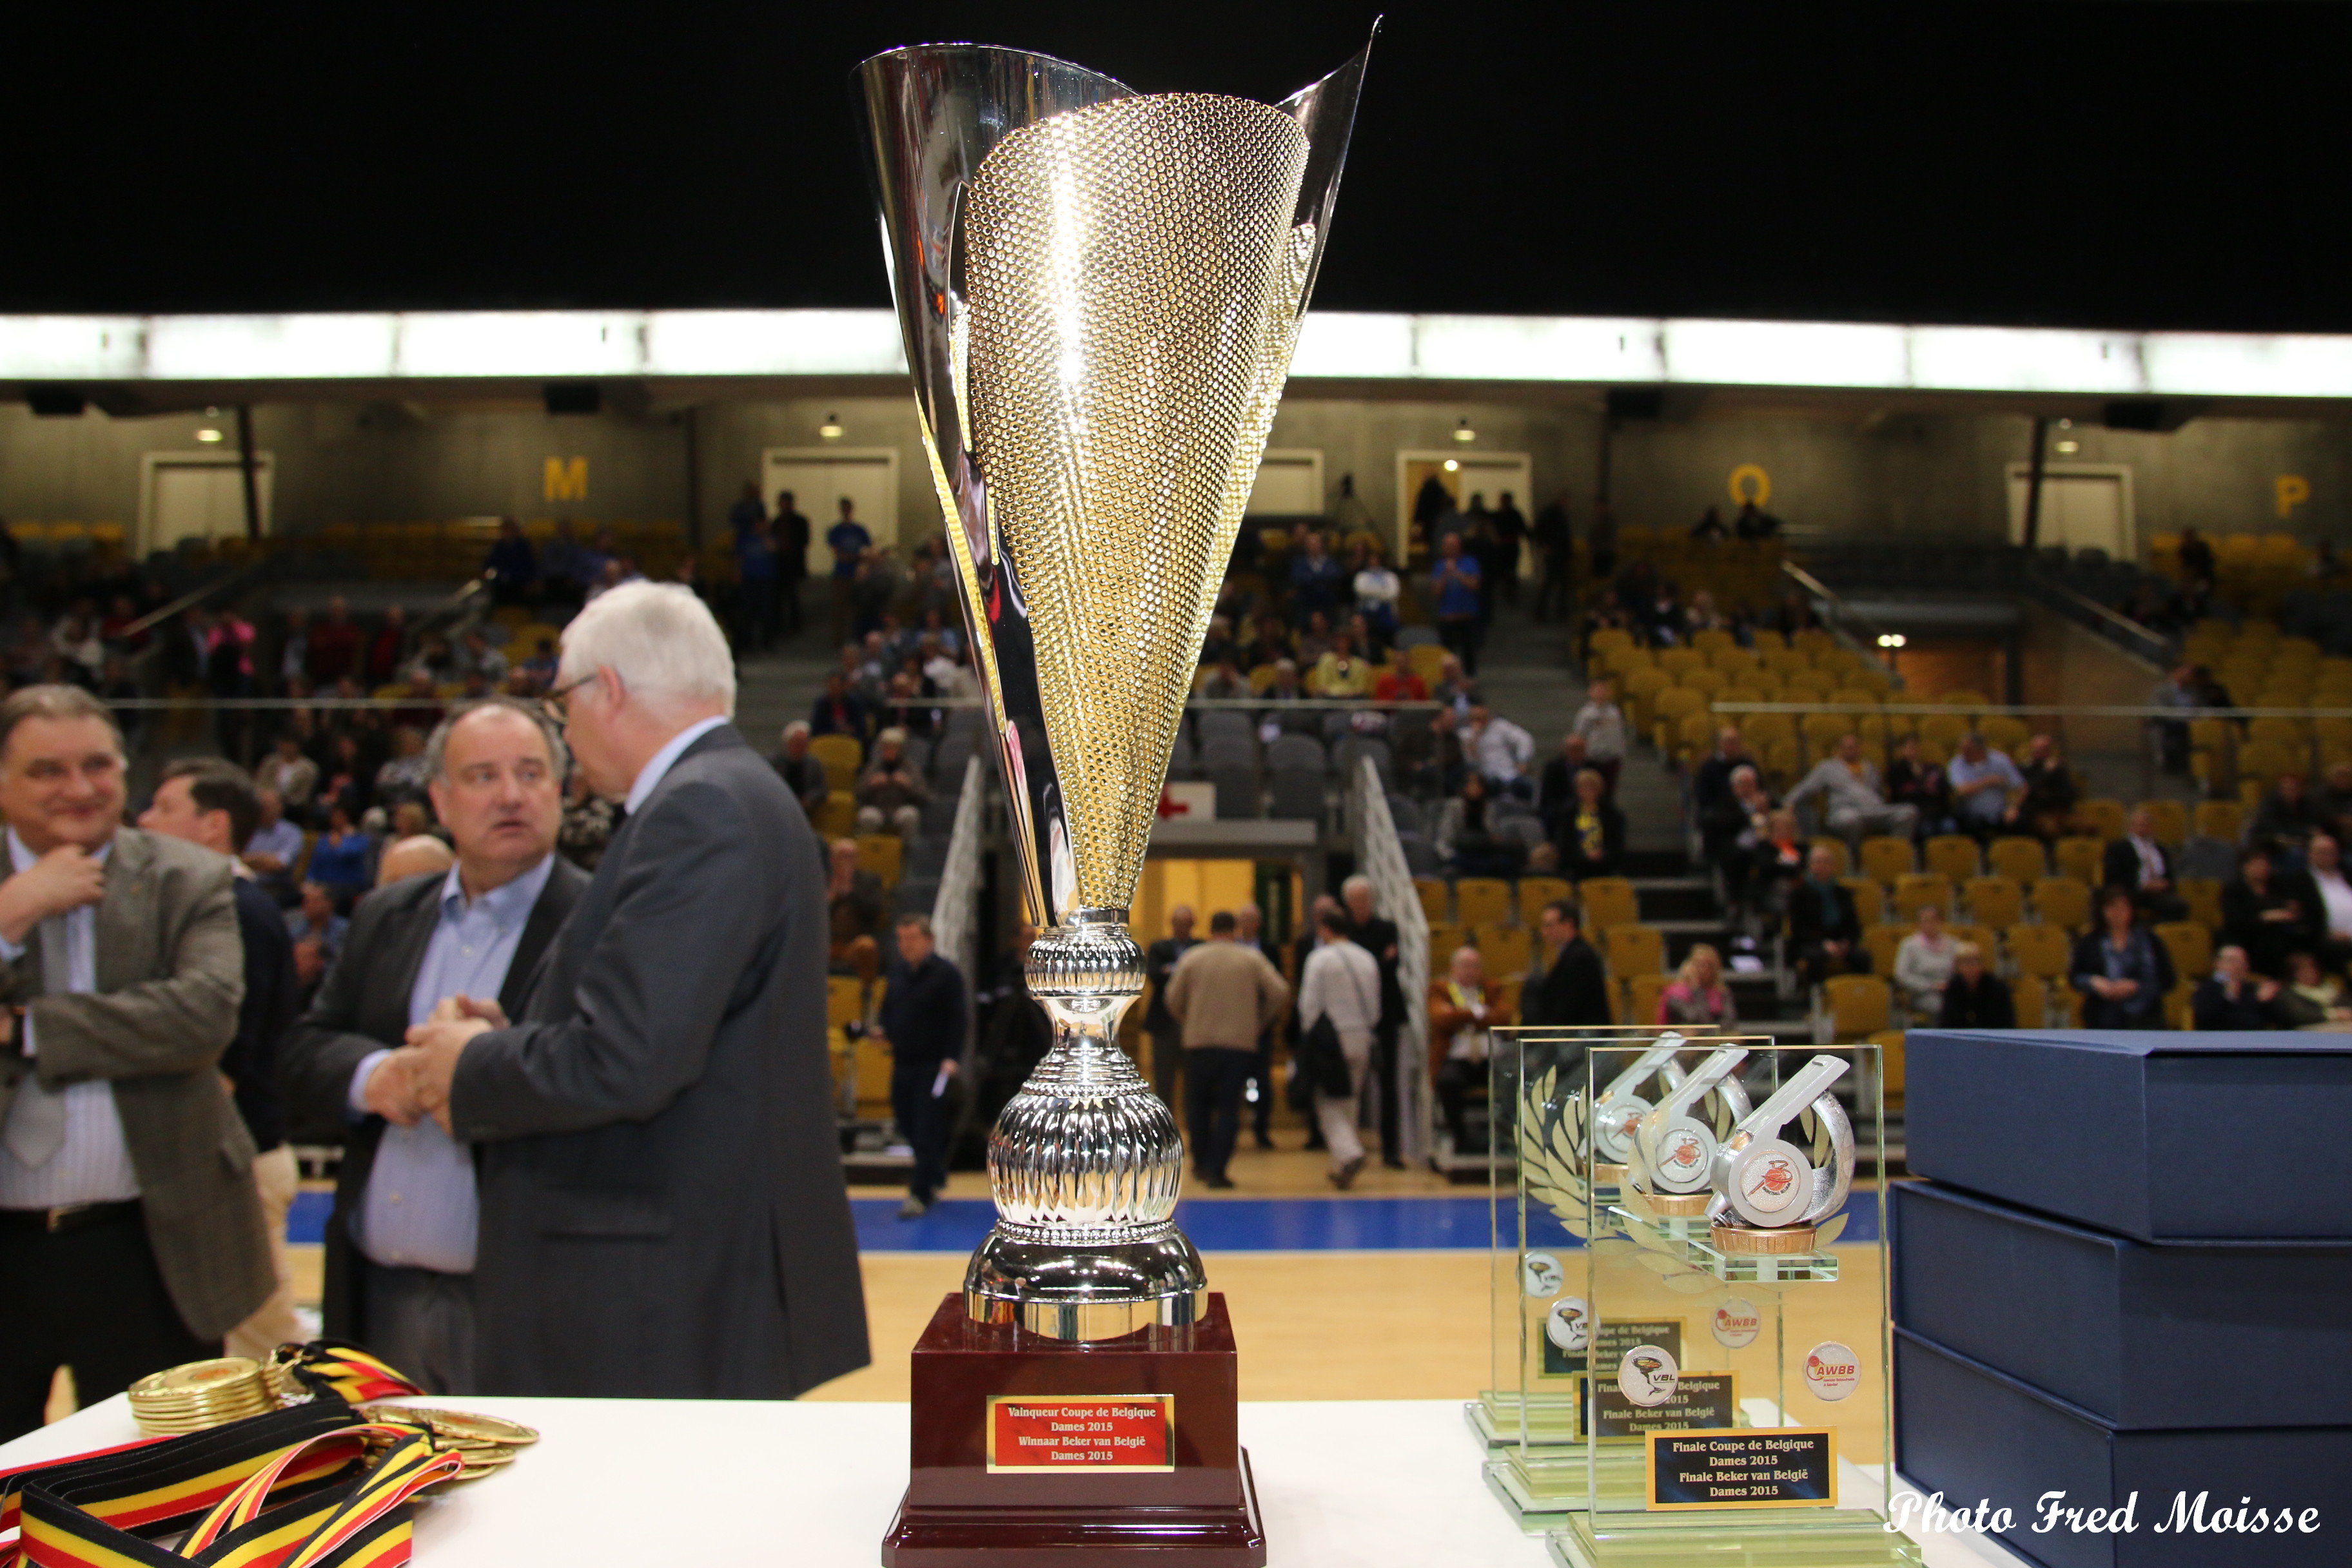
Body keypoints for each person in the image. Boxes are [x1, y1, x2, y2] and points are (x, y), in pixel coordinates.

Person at [383, 582, 868, 1398]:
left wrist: (472, 1064)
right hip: (685, 1272)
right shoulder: (723, 794)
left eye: (563, 700)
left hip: (660, 1289)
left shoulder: (700, 807)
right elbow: (663, 1027)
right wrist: (513, 1033)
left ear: (606, 688)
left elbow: (629, 1057)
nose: (564, 728)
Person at [276, 699, 587, 1391]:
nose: (511, 793)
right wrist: (378, 1075)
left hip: (521, 1298)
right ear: (440, 801)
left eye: (531, 772)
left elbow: (612, 1081)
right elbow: (305, 1049)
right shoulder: (388, 914)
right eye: (482, 775)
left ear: (560, 790)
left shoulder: (600, 922)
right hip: (377, 1293)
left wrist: (493, 1067)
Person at [0, 686, 267, 1444]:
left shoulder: (191, 875)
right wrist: (11, 912)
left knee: (154, 1490)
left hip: (149, 1244)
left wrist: (27, 1028)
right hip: (7, 1247)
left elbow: (204, 1014)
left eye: (97, 765)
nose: (79, 788)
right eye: (48, 769)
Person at [136, 760, 302, 1362]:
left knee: (265, 1346)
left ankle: (319, 1446)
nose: (145, 820)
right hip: (226, 1152)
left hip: (236, 1154)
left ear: (212, 825)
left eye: (163, 807)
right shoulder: (207, 903)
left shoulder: (237, 910)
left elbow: (233, 1050)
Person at [1164, 910, 1290, 1189]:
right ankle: (1218, 1170)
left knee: (1197, 1106)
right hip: (1238, 1044)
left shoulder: (1192, 958)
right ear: (1234, 930)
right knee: (1229, 1108)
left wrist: (1189, 1019)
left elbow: (1172, 998)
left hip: (1199, 1042)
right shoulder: (1251, 958)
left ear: (1209, 929)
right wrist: (1260, 1021)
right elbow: (1280, 991)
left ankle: (1200, 1163)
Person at [874, 912, 966, 1218]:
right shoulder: (898, 974)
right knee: (906, 1122)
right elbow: (888, 1012)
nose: (906, 945)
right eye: (901, 939)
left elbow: (958, 1019)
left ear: (929, 940)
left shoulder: (947, 975)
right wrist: (882, 1031)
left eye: (912, 938)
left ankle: (919, 1193)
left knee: (927, 1127)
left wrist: (952, 1057)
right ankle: (934, 1173)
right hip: (903, 1062)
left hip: (932, 1066)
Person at [1338, 876, 1406, 1169]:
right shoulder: (1344, 932)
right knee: (1349, 1085)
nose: (1361, 904)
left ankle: (1391, 1151)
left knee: (1389, 1084)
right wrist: (1377, 962)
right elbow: (1373, 967)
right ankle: (1350, 1152)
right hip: (1352, 1017)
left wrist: (1371, 965)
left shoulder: (1387, 928)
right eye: (1355, 898)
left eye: (1365, 898)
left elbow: (1390, 967)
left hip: (1386, 1016)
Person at [1428, 943, 1512, 1160]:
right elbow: (1440, 1019)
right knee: (1447, 1082)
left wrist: (1459, 1016)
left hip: (1489, 1058)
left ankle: (1506, 1138)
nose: (1470, 971)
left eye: (1475, 966)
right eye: (1465, 966)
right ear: (1453, 968)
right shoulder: (1441, 989)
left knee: (1514, 1079)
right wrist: (1476, 1015)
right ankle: (1460, 1138)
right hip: (1457, 1058)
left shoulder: (1491, 988)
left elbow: (1504, 1016)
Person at [1785, 733, 1918, 846]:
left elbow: (1880, 792)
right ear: (1839, 749)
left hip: (1875, 810)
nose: (1852, 750)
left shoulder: (1870, 768)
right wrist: (1789, 802)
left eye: (1854, 747)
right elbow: (1806, 788)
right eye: (1848, 748)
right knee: (1850, 820)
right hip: (1845, 812)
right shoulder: (1828, 767)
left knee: (1908, 812)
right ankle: (1854, 854)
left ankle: (1896, 850)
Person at [2071, 885, 2175, 1028]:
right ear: (2102, 910)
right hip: (2102, 1013)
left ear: (2131, 909)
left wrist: (2136, 986)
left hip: (2146, 1015)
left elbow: (2168, 979)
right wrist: (2094, 982)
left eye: (2123, 907)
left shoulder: (2150, 940)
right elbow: (2075, 976)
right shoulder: (2090, 941)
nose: (2117, 913)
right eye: (2112, 907)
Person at [2222, 845, 2320, 979]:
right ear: (2244, 867)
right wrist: (2264, 918)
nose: (2262, 868)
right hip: (2248, 939)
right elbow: (2233, 922)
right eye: (2257, 864)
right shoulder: (2234, 890)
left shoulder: (2278, 887)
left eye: (2265, 864)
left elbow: (2292, 911)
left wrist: (2292, 911)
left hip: (2280, 936)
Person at [1233, 903, 1286, 1151]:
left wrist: (1265, 1020)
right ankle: (1232, 1130)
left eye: (1252, 920)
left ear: (1258, 923)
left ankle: (1261, 1130)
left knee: (1263, 1080)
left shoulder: (1269, 950)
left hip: (1260, 1024)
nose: (1248, 924)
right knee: (1232, 1079)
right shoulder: (1230, 949)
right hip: (1233, 1025)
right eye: (1244, 919)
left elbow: (1278, 987)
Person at [1787, 843, 1866, 986]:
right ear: (1810, 865)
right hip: (1811, 942)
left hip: (1839, 941)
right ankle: (1814, 998)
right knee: (1816, 957)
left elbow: (1853, 925)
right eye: (1818, 861)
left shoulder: (1843, 893)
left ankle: (1858, 997)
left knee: (1862, 956)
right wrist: (1824, 944)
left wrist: (1846, 942)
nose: (1822, 865)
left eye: (1826, 861)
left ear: (1833, 866)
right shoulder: (1800, 894)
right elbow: (1798, 929)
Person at [1143, 906, 1199, 1110]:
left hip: (1193, 1020)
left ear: (1193, 925)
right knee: (1163, 1076)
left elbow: (1198, 979)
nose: (1182, 928)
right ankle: (1165, 1117)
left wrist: (1172, 969)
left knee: (1194, 1076)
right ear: (1172, 924)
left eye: (1186, 923)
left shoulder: (1200, 947)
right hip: (1164, 1022)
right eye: (1179, 923)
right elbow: (1156, 976)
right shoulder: (1159, 947)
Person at [1524, 901, 1611, 1026]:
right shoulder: (1572, 953)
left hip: (1584, 1036)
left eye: (1549, 926)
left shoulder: (1579, 957)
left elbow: (1567, 1006)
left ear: (1568, 924)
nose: (1545, 932)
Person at [2102, 806, 2186, 923]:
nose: (2143, 828)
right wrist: (2141, 885)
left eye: (2146, 825)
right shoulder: (2119, 848)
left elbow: (2170, 874)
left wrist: (2165, 884)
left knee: (2178, 906)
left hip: (2159, 892)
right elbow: (2112, 875)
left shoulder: (2161, 849)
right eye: (2140, 824)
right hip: (2132, 891)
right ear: (2130, 827)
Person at [826, 837, 886, 983]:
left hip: (853, 944)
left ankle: (867, 995)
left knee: (866, 946)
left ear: (857, 859)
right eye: (842, 856)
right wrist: (832, 898)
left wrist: (851, 892)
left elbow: (874, 912)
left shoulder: (869, 880)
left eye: (851, 856)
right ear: (832, 859)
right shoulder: (822, 880)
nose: (846, 861)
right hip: (825, 943)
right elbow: (811, 918)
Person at [855, 726, 930, 839]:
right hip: (877, 808)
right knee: (867, 816)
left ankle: (910, 851)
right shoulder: (873, 768)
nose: (889, 751)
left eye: (893, 748)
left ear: (900, 749)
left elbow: (924, 797)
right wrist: (871, 785)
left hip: (901, 808)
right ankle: (866, 851)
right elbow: (858, 794)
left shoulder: (911, 769)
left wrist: (908, 785)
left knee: (910, 815)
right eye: (886, 748)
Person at [1946, 734, 2026, 839]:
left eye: (1967, 749)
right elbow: (1961, 791)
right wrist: (1987, 781)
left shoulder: (2000, 761)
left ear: (1979, 749)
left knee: (2020, 822)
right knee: (1969, 824)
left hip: (2000, 813)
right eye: (1961, 748)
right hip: (1971, 814)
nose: (1963, 752)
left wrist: (2013, 808)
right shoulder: (1957, 763)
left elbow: (2021, 788)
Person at [1554, 767, 1625, 881]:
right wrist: (1583, 855)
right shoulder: (1569, 814)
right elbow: (1564, 843)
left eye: (1591, 787)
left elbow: (1617, 844)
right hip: (1576, 866)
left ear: (1599, 789)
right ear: (1577, 790)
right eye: (1583, 787)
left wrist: (1602, 854)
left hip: (1605, 865)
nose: (1587, 791)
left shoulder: (1612, 814)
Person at [1892, 905, 1958, 1022]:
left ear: (1941, 922)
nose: (1930, 924)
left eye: (1934, 920)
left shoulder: (1953, 944)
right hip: (1923, 993)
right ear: (1919, 923)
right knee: (1943, 1007)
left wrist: (1950, 985)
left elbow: (1959, 970)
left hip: (1951, 990)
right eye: (1926, 921)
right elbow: (1902, 975)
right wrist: (1931, 986)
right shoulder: (1909, 945)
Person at [242, 785, 306, 905]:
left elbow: (280, 864)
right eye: (262, 805)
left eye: (269, 805)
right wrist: (264, 859)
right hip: (244, 886)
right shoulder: (247, 829)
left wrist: (247, 860)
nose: (265, 809)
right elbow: (233, 859)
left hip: (277, 889)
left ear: (280, 807)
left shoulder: (292, 832)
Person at [1430, 533, 1484, 675]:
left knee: (1469, 651)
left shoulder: (1470, 562)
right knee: (1447, 653)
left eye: (1451, 546)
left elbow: (1475, 585)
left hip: (1466, 615)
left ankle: (1470, 678)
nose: (1448, 549)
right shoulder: (1440, 565)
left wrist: (1457, 574)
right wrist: (1445, 575)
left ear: (1458, 547)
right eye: (1446, 546)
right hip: (1447, 616)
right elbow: (1436, 593)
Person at [2193, 945, 2280, 1030]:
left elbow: (2266, 1021)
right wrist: (2229, 998)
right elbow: (2205, 1020)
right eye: (2232, 961)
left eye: (2242, 961)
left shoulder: (2252, 989)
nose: (2238, 966)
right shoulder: (2207, 988)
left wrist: (2266, 1001)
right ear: (2218, 963)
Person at [2015, 734, 2081, 841]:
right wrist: (2046, 773)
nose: (2039, 751)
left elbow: (2070, 793)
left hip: (2061, 810)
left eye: (2043, 749)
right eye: (2037, 748)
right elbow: (2030, 790)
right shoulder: (2024, 769)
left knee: (2088, 827)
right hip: (2039, 812)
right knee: (2052, 829)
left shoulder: (2058, 769)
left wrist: (2048, 794)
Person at [827, 497, 873, 646]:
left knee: (858, 609)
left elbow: (867, 551)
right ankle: (838, 642)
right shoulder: (836, 531)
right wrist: (855, 556)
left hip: (858, 576)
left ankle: (856, 639)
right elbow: (838, 554)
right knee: (840, 609)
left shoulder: (859, 530)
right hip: (841, 574)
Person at [1569, 680, 1627, 797]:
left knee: (1609, 792)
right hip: (1592, 758)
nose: (1601, 693)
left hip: (1611, 758)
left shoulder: (1615, 713)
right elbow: (1579, 735)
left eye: (1603, 690)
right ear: (1591, 692)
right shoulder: (1585, 713)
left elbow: (1618, 735)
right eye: (1597, 690)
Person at [1939, 942, 2016, 1028]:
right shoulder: (1952, 989)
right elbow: (1946, 1024)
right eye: (1966, 962)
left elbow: (2007, 1023)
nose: (1972, 966)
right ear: (1958, 966)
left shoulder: (1998, 989)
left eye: (1977, 961)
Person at [1658, 944, 1738, 1028]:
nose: (1703, 970)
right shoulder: (1675, 994)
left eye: (1708, 965)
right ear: (1688, 965)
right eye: (1699, 964)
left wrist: (1706, 1032)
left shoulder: (1722, 992)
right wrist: (1696, 989)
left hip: (1712, 1035)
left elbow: (1730, 1021)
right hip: (1682, 1037)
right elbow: (1694, 1017)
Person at [1465, 704, 1535, 798]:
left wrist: (1522, 760)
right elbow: (1470, 760)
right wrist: (1475, 738)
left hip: (1509, 773)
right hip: (1486, 776)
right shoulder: (1466, 734)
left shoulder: (1500, 727)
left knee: (1528, 786)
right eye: (1476, 718)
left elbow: (1524, 739)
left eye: (1482, 718)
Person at [2273, 949, 2352, 1026]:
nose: (2311, 973)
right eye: (2305, 970)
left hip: (2342, 1025)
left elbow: (2348, 1004)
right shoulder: (2288, 993)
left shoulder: (2329, 988)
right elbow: (2300, 1015)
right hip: (2309, 1030)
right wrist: (2335, 1014)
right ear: (2294, 973)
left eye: (2313, 969)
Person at [770, 720, 828, 822]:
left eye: (804, 743)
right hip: (778, 806)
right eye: (797, 742)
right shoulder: (774, 763)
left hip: (804, 811)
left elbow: (822, 789)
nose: (801, 747)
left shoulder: (814, 764)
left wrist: (809, 799)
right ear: (788, 743)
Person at [1531, 492, 1573, 622]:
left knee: (1556, 583)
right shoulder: (1552, 513)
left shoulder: (1557, 513)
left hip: (1559, 551)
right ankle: (1545, 611)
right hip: (1555, 552)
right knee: (1552, 583)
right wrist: (1545, 545)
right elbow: (1540, 530)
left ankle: (1552, 611)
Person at [774, 490, 810, 636]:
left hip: (793, 562)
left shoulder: (800, 522)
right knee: (779, 596)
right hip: (779, 563)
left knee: (792, 596)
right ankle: (780, 625)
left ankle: (795, 624)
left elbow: (804, 541)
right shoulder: (777, 522)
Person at [484, 518, 538, 607]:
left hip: (519, 585)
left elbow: (530, 566)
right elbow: (490, 565)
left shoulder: (524, 546)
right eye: (505, 530)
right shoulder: (498, 547)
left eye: (510, 530)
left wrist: (530, 582)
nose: (507, 533)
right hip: (501, 585)